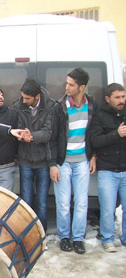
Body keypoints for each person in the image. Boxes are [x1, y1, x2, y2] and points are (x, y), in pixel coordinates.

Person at [50, 68, 97, 254]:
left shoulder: (92, 105)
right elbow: (52, 138)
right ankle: (64, 237)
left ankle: (78, 238)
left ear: (82, 87)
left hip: (83, 161)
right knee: (62, 203)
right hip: (63, 162)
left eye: (71, 84)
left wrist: (93, 156)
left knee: (81, 202)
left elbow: (93, 133)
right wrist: (52, 164)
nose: (66, 87)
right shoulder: (59, 107)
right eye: (66, 83)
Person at [12, 79, 58, 233]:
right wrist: (19, 133)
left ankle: (41, 234)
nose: (24, 101)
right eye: (23, 97)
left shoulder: (51, 106)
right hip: (25, 160)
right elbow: (15, 126)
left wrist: (32, 136)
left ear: (37, 96)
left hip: (43, 161)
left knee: (42, 202)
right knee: (26, 200)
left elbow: (48, 132)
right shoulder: (18, 105)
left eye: (27, 98)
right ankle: (26, 234)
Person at [90, 83, 126, 252]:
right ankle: (108, 239)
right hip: (108, 170)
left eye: (123, 96)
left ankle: (124, 238)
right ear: (107, 98)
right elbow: (95, 141)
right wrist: (116, 134)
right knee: (107, 208)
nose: (121, 101)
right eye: (117, 97)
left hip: (125, 168)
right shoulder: (99, 117)